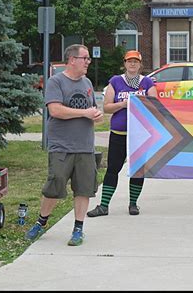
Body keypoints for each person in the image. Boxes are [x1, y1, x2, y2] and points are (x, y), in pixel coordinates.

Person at [25, 44, 103, 246]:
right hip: (61, 146)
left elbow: (91, 109)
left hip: (85, 146)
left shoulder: (86, 82)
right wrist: (84, 113)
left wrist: (95, 115)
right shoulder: (56, 81)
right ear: (72, 60)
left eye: (88, 59)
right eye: (85, 58)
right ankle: (41, 222)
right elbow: (56, 110)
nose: (88, 62)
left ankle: (78, 229)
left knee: (84, 189)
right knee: (55, 185)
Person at [87, 50, 157, 217]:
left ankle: (133, 204)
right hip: (119, 132)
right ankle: (104, 206)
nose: (132, 64)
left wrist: (140, 104)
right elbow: (107, 107)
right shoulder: (116, 81)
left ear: (140, 64)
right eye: (129, 61)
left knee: (138, 169)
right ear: (124, 63)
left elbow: (155, 107)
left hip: (140, 134)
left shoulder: (147, 83)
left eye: (136, 61)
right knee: (113, 168)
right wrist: (125, 104)